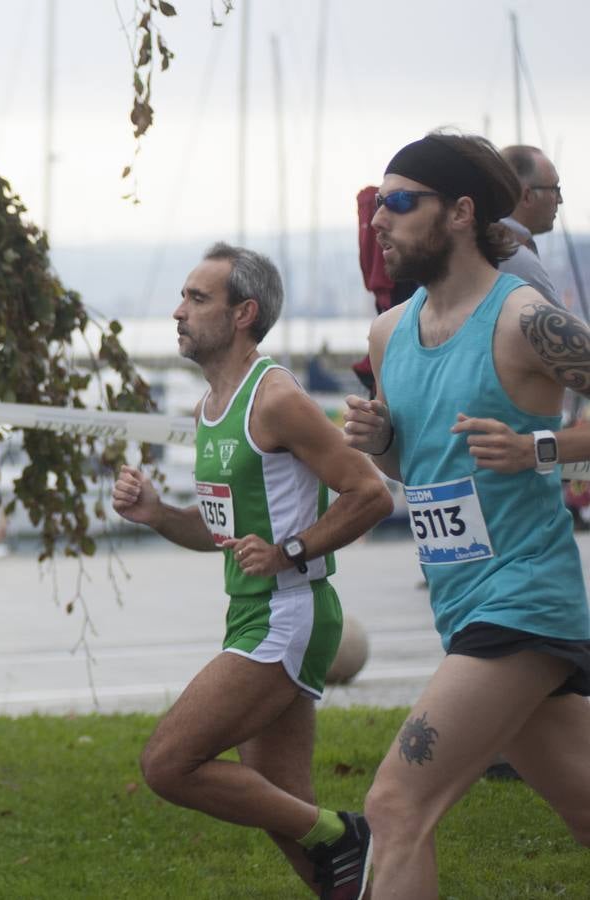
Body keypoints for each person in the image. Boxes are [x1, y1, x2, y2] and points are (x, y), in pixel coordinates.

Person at [343, 131, 590, 897]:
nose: (378, 219)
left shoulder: (524, 318)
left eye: (398, 201)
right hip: (460, 603)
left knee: (394, 805)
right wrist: (383, 442)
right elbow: (408, 471)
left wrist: (538, 450)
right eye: (377, 201)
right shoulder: (389, 334)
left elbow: (541, 444)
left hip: (524, 602)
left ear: (458, 212)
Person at [112, 243, 394, 899]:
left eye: (197, 299)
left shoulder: (275, 398)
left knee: (168, 764)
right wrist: (157, 514)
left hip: (287, 614)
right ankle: (348, 861)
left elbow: (371, 493)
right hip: (254, 611)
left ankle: (350, 831)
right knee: (289, 819)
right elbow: (221, 536)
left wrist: (290, 551)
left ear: (245, 313)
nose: (178, 312)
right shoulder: (212, 408)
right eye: (182, 296)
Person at [497, 144, 563, 306]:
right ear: (527, 196)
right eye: (554, 189)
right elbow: (560, 328)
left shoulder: (481, 245)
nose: (560, 200)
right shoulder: (514, 255)